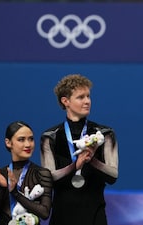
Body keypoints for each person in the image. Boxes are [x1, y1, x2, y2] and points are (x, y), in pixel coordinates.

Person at [40, 74, 119, 225]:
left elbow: (113, 175)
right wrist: (75, 166)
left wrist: (92, 160)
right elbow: (48, 178)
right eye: (80, 97)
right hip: (62, 216)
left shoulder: (105, 133)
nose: (87, 101)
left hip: (95, 215)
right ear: (66, 101)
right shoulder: (50, 137)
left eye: (88, 96)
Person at [0, 121, 53, 225]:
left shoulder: (42, 174)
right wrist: (2, 188)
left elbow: (44, 213)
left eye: (31, 139)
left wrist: (15, 192)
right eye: (21, 139)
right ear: (8, 143)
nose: (28, 144)